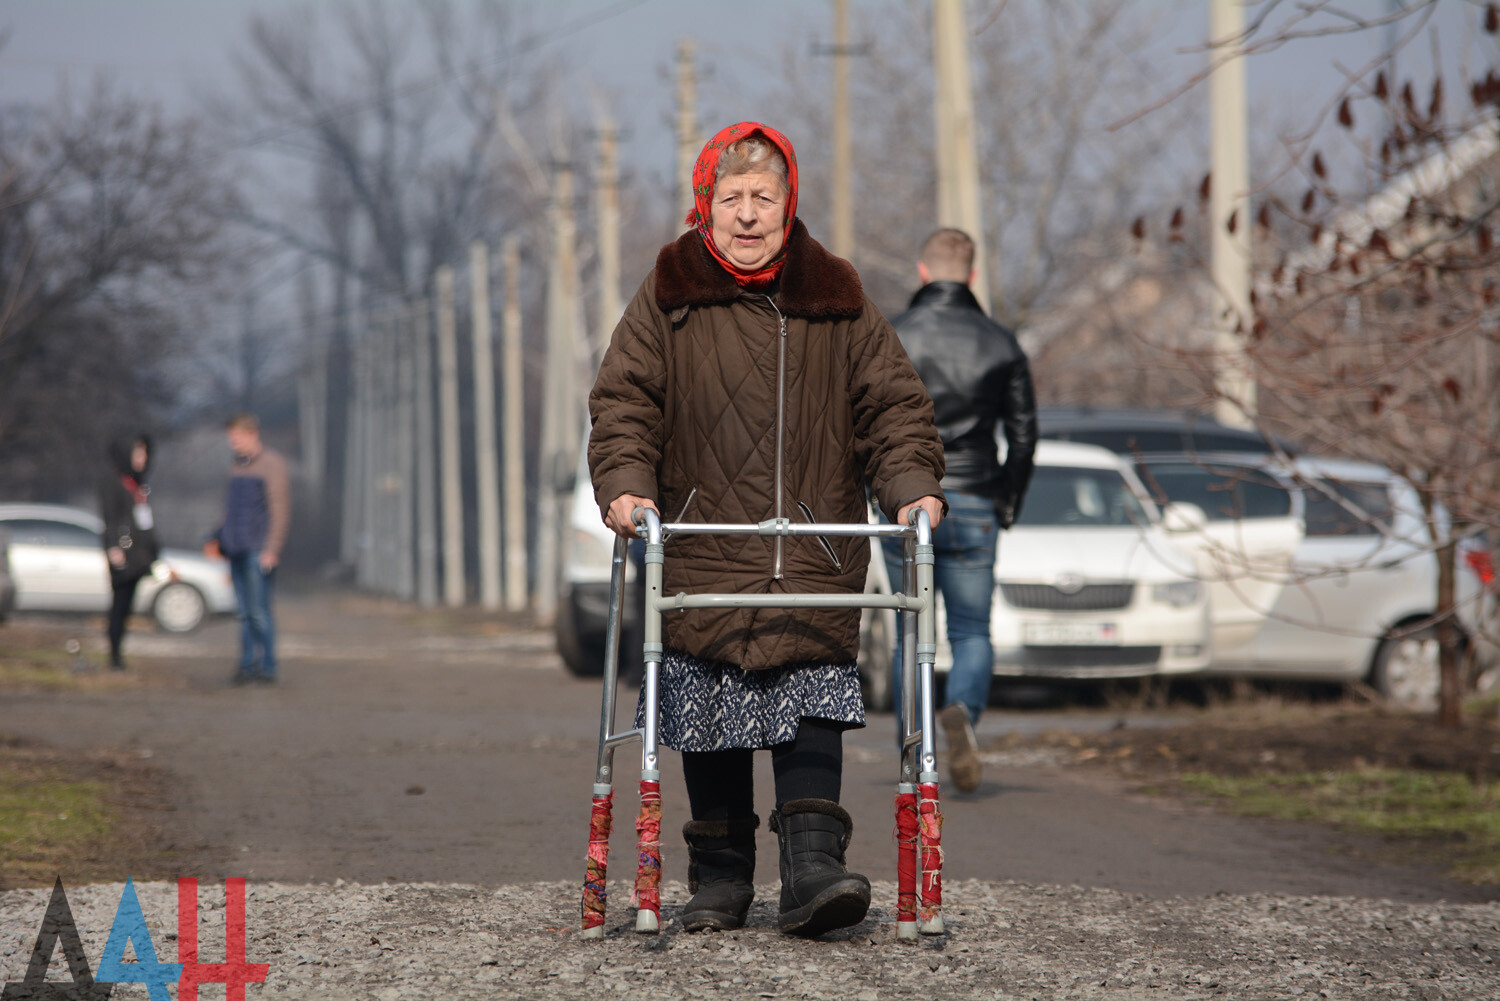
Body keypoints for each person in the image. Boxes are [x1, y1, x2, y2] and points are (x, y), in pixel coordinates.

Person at [588, 121, 947, 938]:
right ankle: (720, 877)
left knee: (809, 692)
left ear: (789, 206)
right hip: (702, 544)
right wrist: (626, 487)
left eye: (764, 197)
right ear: (705, 205)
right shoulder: (668, 297)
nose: (747, 214)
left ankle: (813, 869)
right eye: (732, 197)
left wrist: (912, 490)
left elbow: (894, 408)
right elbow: (625, 403)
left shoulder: (837, 297)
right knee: (709, 706)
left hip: (811, 550)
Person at [882, 227, 1038, 794]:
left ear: (923, 271)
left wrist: (873, 489)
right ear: (972, 275)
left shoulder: (892, 334)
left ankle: (913, 744)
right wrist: (1007, 499)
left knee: (909, 629)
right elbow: (1024, 435)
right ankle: (963, 716)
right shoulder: (1001, 342)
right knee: (971, 630)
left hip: (905, 501)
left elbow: (862, 418)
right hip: (974, 498)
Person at [205, 414, 290, 686]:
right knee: (243, 613)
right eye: (231, 439)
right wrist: (216, 536)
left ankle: (267, 666)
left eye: (237, 438)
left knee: (259, 612)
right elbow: (229, 510)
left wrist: (272, 549)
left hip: (258, 550)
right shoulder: (236, 465)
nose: (234, 444)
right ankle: (246, 665)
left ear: (252, 434)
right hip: (235, 548)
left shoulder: (272, 464)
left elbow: (280, 510)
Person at [99, 433, 160, 670]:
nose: (142, 458)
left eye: (144, 452)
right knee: (119, 605)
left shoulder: (139, 483)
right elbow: (110, 518)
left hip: (139, 554)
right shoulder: (114, 481)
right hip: (123, 553)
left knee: (128, 607)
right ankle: (114, 657)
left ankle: (118, 655)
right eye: (137, 452)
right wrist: (113, 547)